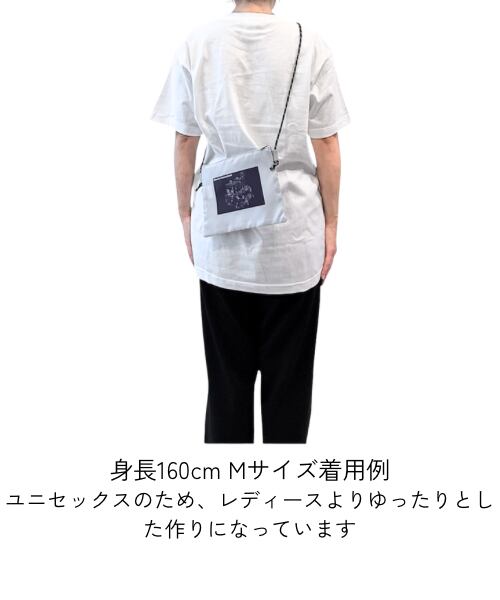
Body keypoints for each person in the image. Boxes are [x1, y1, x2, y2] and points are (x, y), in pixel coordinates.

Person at [150, 0, 350, 443]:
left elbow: (184, 140)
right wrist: (331, 224)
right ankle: (283, 483)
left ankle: (226, 485)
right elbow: (327, 143)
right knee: (289, 395)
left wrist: (185, 214)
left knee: (227, 391)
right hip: (295, 244)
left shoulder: (198, 42)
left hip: (221, 247)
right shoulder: (309, 43)